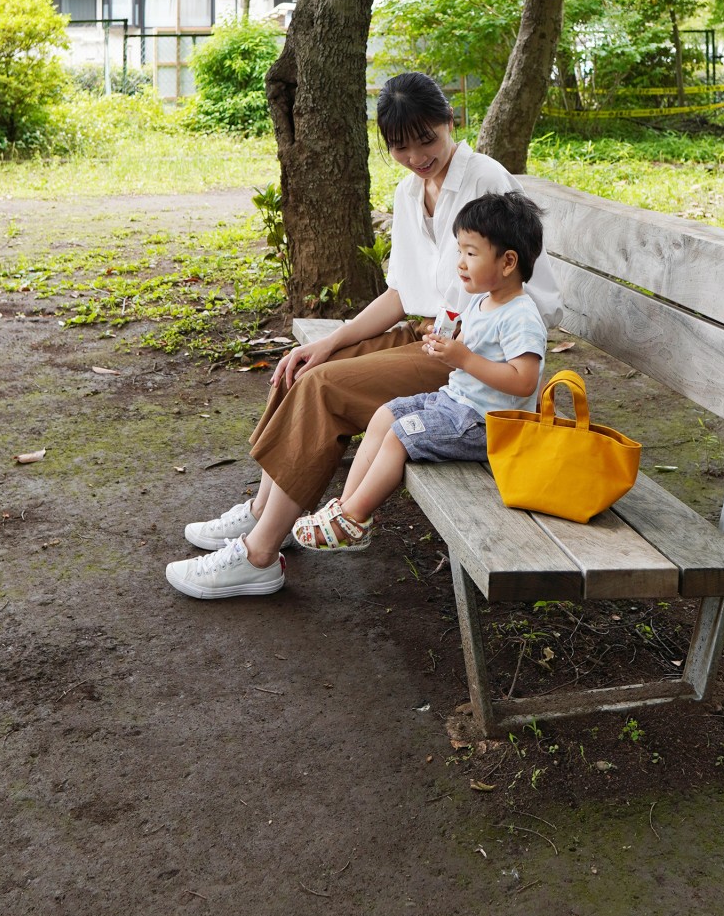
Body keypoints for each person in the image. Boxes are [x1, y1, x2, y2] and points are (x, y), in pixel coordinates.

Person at [165, 71, 561, 601]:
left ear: (450, 121)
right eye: (401, 147)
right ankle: (263, 513)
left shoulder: (485, 179)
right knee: (305, 368)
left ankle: (259, 556)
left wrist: (465, 335)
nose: (417, 157)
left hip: (465, 357)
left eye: (426, 140)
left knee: (324, 389)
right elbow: (401, 292)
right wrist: (330, 341)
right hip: (427, 336)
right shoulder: (410, 191)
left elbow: (529, 291)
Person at [291, 191, 547, 552]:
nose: (460, 263)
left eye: (471, 253)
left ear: (507, 262)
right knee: (385, 415)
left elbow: (524, 381)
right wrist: (446, 346)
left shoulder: (521, 316)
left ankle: (354, 517)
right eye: (459, 251)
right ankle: (347, 513)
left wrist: (464, 359)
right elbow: (470, 349)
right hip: (457, 405)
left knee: (400, 435)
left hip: (488, 425)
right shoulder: (482, 300)